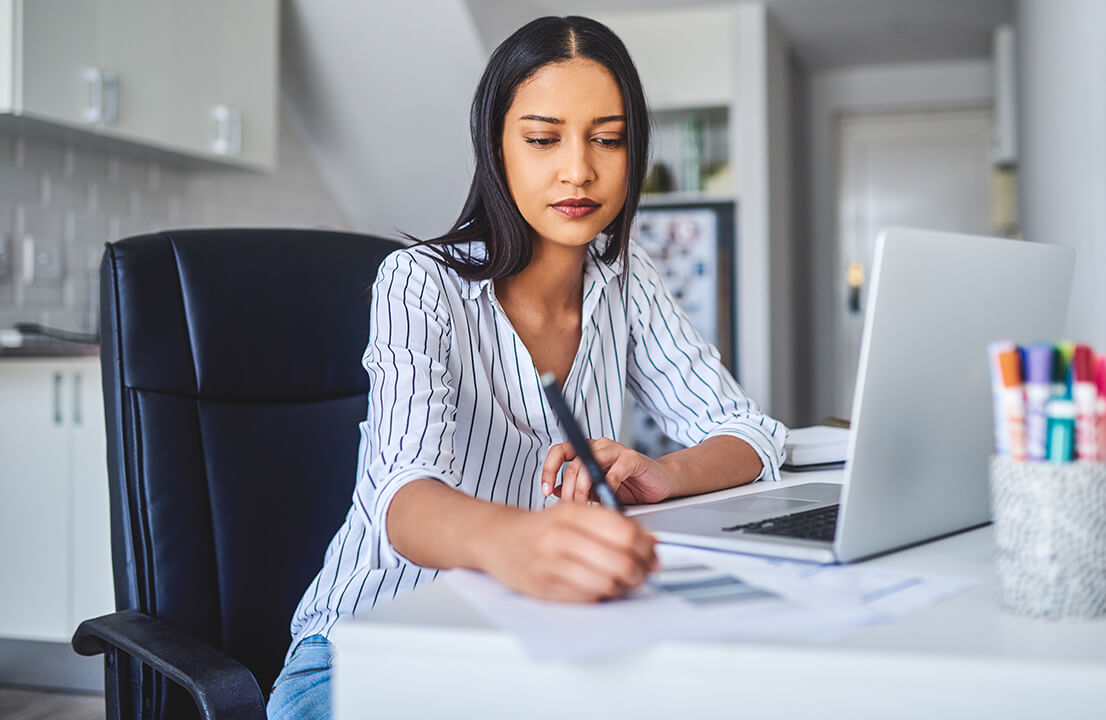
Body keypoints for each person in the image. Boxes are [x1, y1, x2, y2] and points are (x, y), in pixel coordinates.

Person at [267, 15, 785, 720]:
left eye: (607, 139)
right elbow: (402, 494)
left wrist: (666, 474)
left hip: (536, 636)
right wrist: (516, 540)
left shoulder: (627, 278)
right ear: (497, 148)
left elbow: (749, 434)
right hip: (369, 647)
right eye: (543, 139)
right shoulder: (419, 283)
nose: (579, 169)